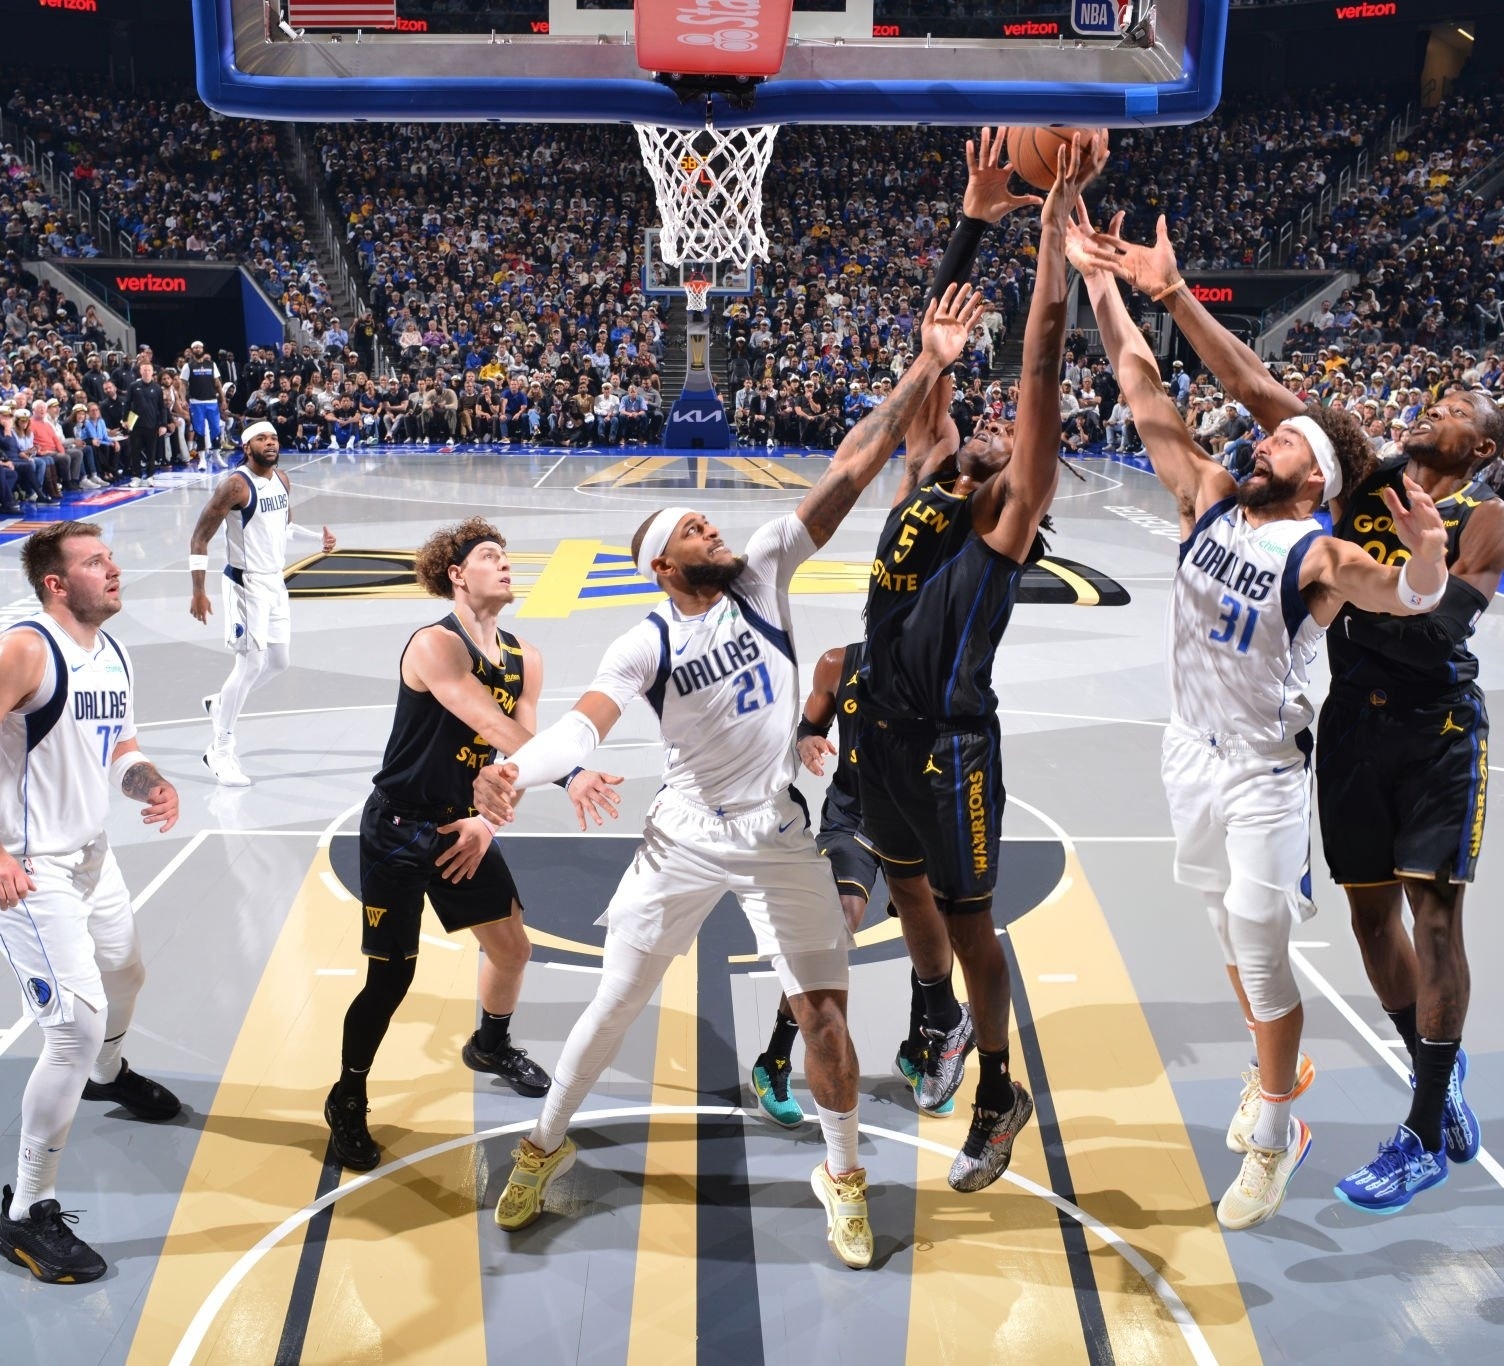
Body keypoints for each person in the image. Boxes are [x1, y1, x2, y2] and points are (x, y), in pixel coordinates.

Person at [470, 282, 988, 1270]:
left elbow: (848, 466)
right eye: (694, 530)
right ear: (663, 561)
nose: (715, 532)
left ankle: (838, 1177)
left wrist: (928, 363)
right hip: (683, 832)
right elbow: (584, 727)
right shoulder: (646, 639)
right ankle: (542, 1144)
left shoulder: (759, 574)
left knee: (820, 1013)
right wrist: (518, 771)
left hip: (776, 835)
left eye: (711, 525)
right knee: (614, 1000)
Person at [1078, 206, 1504, 1215]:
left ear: (1483, 446)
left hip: (1435, 730)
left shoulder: (1484, 518)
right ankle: (1433, 1071)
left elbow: (1436, 624)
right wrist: (1163, 291)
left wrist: (1399, 567)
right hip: (1348, 724)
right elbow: (1242, 385)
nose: (1433, 406)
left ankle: (1411, 1121)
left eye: (1455, 406)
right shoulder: (1363, 474)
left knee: (1432, 918)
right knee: (1368, 923)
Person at [856, 137, 1099, 1196]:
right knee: (902, 888)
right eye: (981, 427)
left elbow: (1038, 353)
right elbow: (935, 350)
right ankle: (938, 1019)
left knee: (969, 921)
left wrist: (1054, 223)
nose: (995, 431)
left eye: (1010, 437)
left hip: (952, 745)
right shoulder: (930, 472)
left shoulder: (1002, 520)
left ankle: (998, 1088)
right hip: (879, 727)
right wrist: (973, 217)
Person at [0, 521, 184, 1284]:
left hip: (91, 855)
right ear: (56, 584)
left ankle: (108, 1075)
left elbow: (120, 750)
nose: (116, 568)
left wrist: (150, 782)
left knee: (126, 976)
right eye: (97, 562)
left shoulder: (112, 652)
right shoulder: (25, 649)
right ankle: (26, 1212)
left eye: (112, 556)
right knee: (73, 1024)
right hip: (26, 868)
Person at [322, 518, 621, 1172]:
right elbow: (485, 720)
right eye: (492, 556)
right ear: (457, 574)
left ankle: (489, 1045)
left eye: (508, 555)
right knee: (391, 977)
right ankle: (347, 1095)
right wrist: (574, 772)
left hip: (462, 827)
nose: (507, 564)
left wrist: (492, 809)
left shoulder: (527, 658)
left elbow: (518, 753)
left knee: (513, 947)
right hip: (399, 829)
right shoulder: (435, 645)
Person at [749, 633, 952, 1126]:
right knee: (834, 924)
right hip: (854, 818)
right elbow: (807, 725)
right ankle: (774, 1059)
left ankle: (918, 1051)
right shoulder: (839, 664)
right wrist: (808, 741)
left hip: (921, 820)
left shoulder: (947, 666)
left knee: (929, 932)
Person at [188, 421, 336, 786]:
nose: (269, 443)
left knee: (278, 662)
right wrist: (198, 590)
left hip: (274, 581)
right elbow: (199, 538)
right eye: (261, 439)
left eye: (272, 438)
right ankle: (220, 750)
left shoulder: (282, 480)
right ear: (246, 447)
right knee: (251, 662)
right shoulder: (235, 486)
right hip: (245, 583)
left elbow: (282, 528)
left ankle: (221, 703)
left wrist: (317, 538)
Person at [183, 342, 224, 463]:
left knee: (216, 428)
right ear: (192, 350)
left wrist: (222, 399)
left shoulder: (211, 364)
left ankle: (217, 455)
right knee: (199, 430)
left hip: (212, 401)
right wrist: (182, 399)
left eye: (199, 347)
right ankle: (202, 458)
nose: (197, 349)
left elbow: (217, 383)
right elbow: (183, 384)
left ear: (203, 349)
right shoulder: (188, 366)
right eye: (195, 347)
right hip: (196, 402)